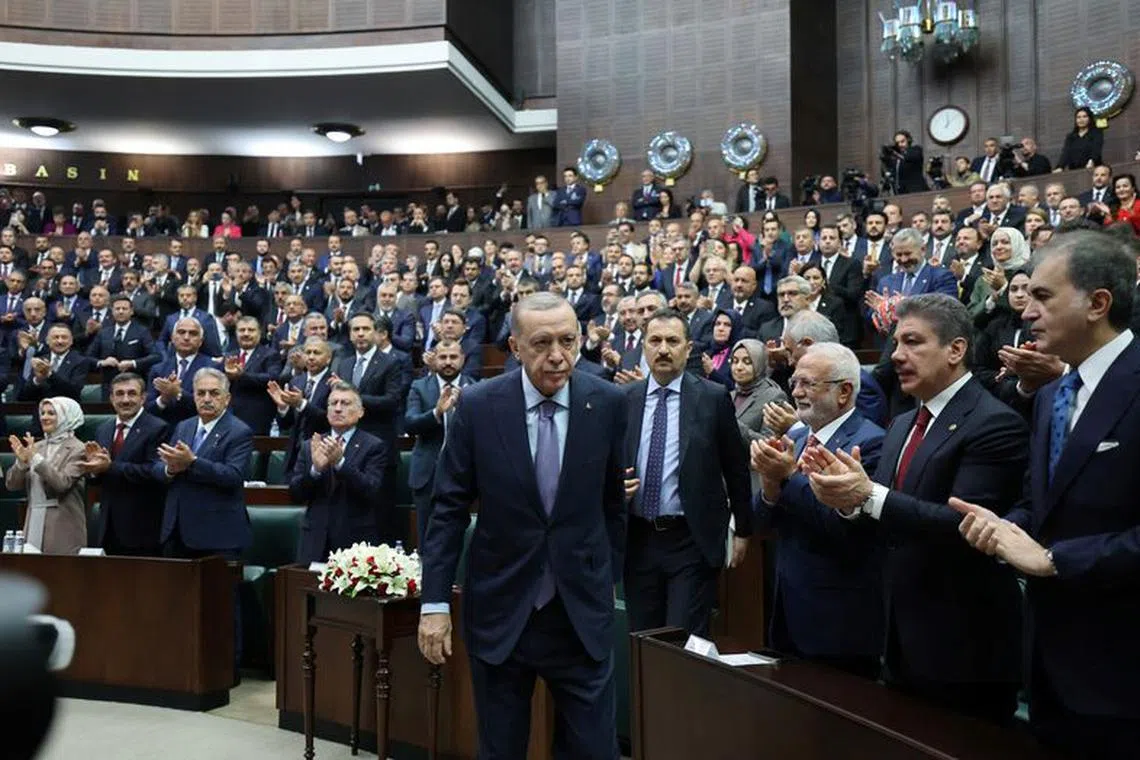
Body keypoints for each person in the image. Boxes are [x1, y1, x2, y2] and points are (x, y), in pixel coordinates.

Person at [954, 232, 1140, 757]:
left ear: (1097, 303)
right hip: (1048, 667)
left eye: (1042, 296)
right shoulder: (1055, 392)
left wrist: (1055, 560)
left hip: (1122, 674)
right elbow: (1043, 504)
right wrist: (1002, 527)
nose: (1026, 311)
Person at [419, 292, 628, 759]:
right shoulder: (477, 406)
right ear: (514, 347)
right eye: (542, 343)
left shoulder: (609, 402)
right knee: (501, 749)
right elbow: (448, 509)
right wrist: (434, 601)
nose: (558, 356)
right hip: (502, 611)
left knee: (595, 751)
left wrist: (603, 575)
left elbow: (613, 504)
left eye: (569, 341)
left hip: (580, 615)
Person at [801, 294, 1027, 724]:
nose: (896, 356)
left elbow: (968, 528)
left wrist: (866, 495)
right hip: (900, 638)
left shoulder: (995, 423)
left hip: (966, 651)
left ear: (956, 349)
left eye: (912, 342)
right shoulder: (903, 423)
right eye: (894, 343)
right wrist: (848, 502)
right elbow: (886, 521)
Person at [751, 343, 885, 679]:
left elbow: (843, 528)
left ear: (844, 392)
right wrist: (769, 486)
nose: (796, 393)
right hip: (787, 611)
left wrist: (787, 477)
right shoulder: (794, 438)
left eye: (808, 384)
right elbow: (759, 521)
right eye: (794, 383)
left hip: (840, 624)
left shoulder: (870, 444)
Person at [623, 308, 752, 637]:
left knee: (681, 642)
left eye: (672, 341)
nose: (663, 348)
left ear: (688, 347)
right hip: (637, 540)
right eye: (655, 340)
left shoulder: (711, 398)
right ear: (643, 346)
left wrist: (744, 530)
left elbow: (735, 467)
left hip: (690, 539)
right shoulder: (625, 399)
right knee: (642, 641)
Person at [156, 367, 253, 557]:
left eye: (214, 393)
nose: (207, 399)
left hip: (217, 534)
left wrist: (192, 462)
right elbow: (159, 466)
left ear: (227, 399)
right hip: (177, 531)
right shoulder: (184, 426)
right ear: (193, 397)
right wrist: (169, 469)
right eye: (201, 393)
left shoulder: (239, 431)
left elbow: (233, 475)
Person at [290, 382, 389, 563]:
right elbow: (295, 493)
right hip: (315, 540)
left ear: (360, 412)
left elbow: (371, 490)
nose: (337, 409)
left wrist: (340, 464)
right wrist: (315, 470)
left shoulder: (374, 446)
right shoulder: (310, 445)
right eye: (333, 403)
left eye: (345, 403)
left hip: (355, 541)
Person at [80, 373, 169, 556]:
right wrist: (93, 470)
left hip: (143, 528)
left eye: (131, 393)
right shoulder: (103, 429)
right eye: (119, 394)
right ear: (112, 398)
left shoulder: (158, 428)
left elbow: (155, 472)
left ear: (143, 397)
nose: (125, 399)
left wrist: (110, 466)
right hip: (108, 525)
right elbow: (98, 478)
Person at [404, 339, 474, 545]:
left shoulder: (476, 388)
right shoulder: (419, 387)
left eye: (453, 357)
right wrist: (437, 412)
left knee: (461, 534)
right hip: (427, 473)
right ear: (433, 360)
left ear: (462, 359)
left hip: (464, 472)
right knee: (427, 537)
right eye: (442, 357)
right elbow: (410, 423)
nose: (448, 362)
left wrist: (467, 410)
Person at [5, 397, 87, 554]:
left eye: (51, 413)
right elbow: (12, 485)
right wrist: (21, 464)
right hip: (32, 519)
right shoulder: (36, 447)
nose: (44, 417)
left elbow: (62, 484)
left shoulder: (78, 449)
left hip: (62, 525)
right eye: (42, 413)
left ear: (67, 416)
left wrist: (36, 459)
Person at [222, 316, 283, 435]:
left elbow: (272, 378)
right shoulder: (229, 356)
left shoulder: (270, 354)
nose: (246, 334)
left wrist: (243, 375)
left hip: (257, 419)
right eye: (242, 330)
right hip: (229, 417)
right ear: (236, 333)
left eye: (251, 330)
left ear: (259, 333)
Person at [729, 338, 789, 445]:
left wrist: (732, 424)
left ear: (759, 363)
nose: (738, 367)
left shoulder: (773, 396)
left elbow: (770, 443)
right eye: (735, 361)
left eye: (747, 362)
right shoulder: (730, 395)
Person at [966, 226, 1032, 321]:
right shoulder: (984, 280)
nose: (999, 247)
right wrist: (991, 300)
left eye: (1005, 242)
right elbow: (970, 316)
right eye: (994, 244)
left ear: (1017, 244)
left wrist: (1003, 288)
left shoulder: (1030, 274)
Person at [888, 130, 928, 194]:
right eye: (897, 143)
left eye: (902, 141)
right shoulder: (895, 158)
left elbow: (911, 157)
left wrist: (895, 152)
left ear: (908, 140)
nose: (900, 145)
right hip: (901, 193)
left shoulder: (916, 149)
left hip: (917, 191)